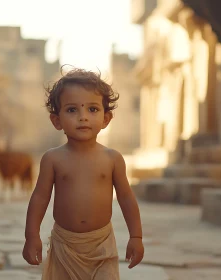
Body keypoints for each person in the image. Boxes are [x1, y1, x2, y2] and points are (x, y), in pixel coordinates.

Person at [22, 67, 144, 279]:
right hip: (64, 245)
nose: (83, 117)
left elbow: (126, 198)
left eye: (92, 109)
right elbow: (40, 198)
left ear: (106, 119)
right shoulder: (53, 159)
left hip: (101, 245)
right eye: (72, 110)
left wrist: (136, 236)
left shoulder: (112, 159)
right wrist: (31, 236)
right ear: (56, 121)